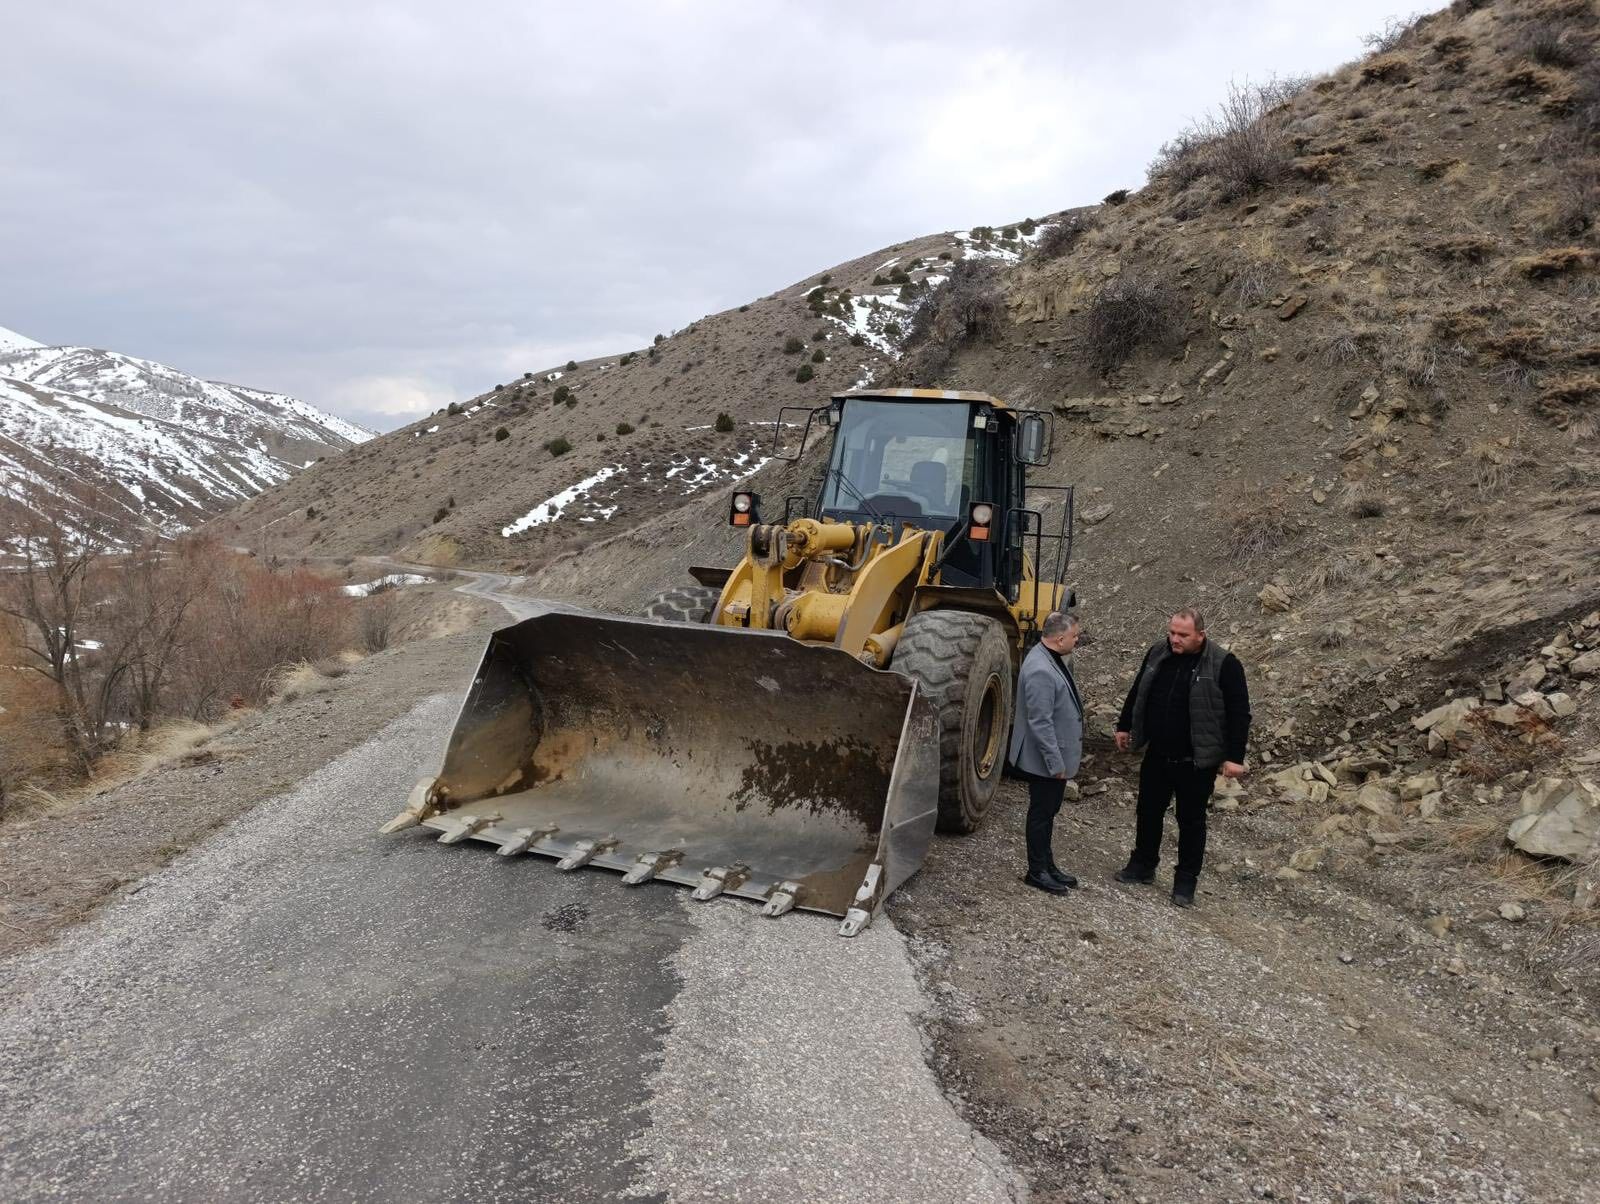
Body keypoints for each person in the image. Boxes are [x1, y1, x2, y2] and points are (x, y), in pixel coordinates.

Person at [1113, 607, 1250, 909]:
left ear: (1200, 634)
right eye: (1172, 632)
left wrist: (1234, 757)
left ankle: (1185, 882)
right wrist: (1125, 726)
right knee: (1148, 811)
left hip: (1196, 761)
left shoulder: (1224, 663)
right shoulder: (1158, 652)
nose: (1175, 639)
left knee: (1191, 822)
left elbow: (1240, 713)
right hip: (1158, 752)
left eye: (1182, 635)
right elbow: (1139, 690)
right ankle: (1143, 865)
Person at [1007, 610, 1084, 895]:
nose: (1077, 640)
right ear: (1060, 637)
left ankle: (1047, 865)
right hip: (1047, 760)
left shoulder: (1048, 657)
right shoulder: (1041, 668)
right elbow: (1041, 722)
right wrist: (1056, 763)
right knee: (1041, 813)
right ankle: (1036, 871)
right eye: (1075, 636)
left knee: (1048, 812)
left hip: (1054, 757)